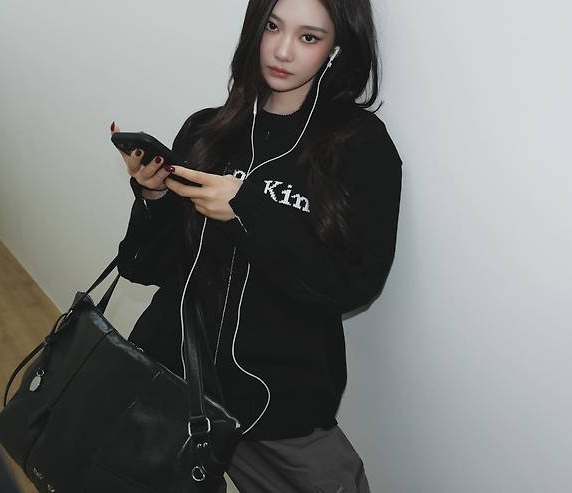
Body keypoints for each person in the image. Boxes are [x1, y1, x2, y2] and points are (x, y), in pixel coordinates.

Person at [111, 0, 402, 490]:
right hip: (173, 379)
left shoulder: (360, 145)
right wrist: (154, 196)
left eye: (308, 37)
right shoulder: (207, 130)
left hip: (275, 404)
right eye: (272, 26)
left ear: (336, 47)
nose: (283, 51)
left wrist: (246, 209)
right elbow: (147, 267)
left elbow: (353, 283)